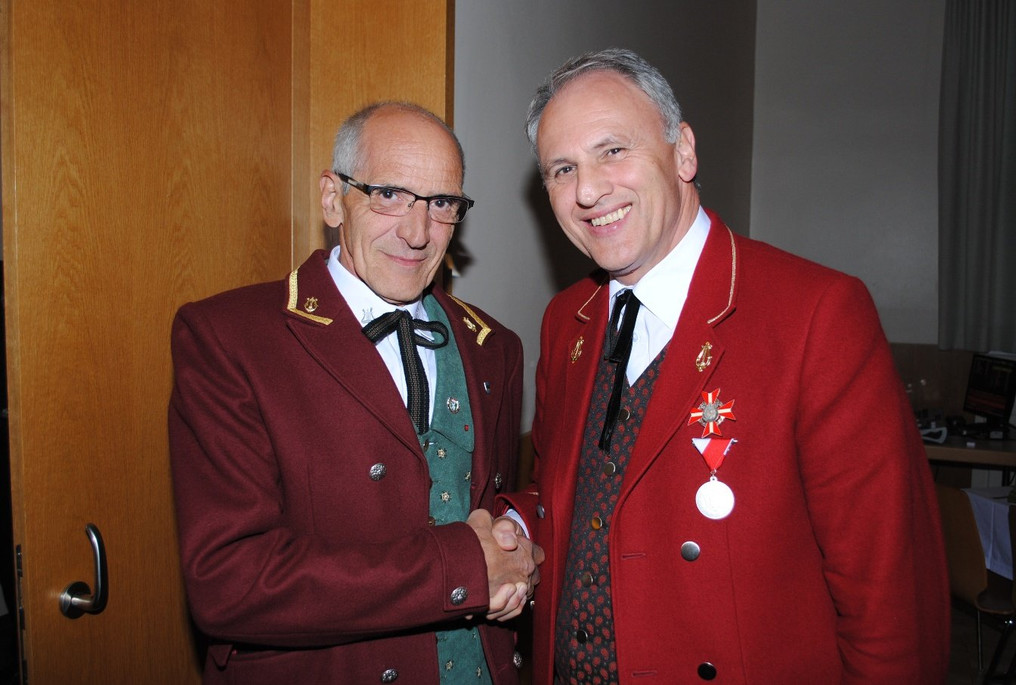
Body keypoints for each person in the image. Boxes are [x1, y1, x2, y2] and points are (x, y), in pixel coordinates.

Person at [500, 48, 949, 683]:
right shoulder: (565, 319)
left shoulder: (817, 314)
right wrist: (513, 525)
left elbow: (887, 589)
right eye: (562, 169)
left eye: (613, 151)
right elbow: (565, 496)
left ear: (683, 152)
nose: (588, 191)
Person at [169, 102, 541, 684]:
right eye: (389, 195)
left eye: (442, 204)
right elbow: (229, 583)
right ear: (332, 198)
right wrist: (464, 565)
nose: (417, 233)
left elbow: (490, 507)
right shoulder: (229, 338)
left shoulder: (496, 346)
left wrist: (516, 549)